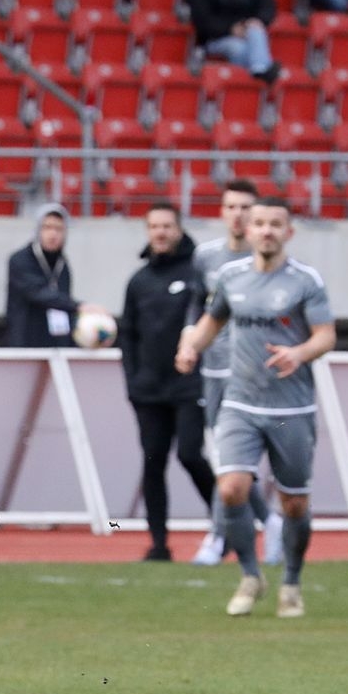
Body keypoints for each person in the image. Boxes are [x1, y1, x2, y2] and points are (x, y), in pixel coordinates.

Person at [176, 199, 336, 619]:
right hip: (240, 402)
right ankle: (250, 575)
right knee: (231, 488)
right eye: (260, 223)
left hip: (291, 408)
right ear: (248, 231)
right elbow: (213, 320)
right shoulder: (231, 277)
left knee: (294, 504)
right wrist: (192, 347)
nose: (267, 231)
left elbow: (325, 336)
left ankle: (292, 583)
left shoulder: (305, 281)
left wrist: (299, 353)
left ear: (288, 232)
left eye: (275, 224)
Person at [116, 203, 216, 562]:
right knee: (153, 462)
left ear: (179, 229)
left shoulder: (197, 273)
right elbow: (128, 335)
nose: (160, 232)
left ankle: (227, 525)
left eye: (167, 226)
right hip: (148, 389)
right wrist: (132, 380)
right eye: (154, 226)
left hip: (189, 385)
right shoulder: (139, 280)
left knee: (190, 454)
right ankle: (158, 544)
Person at [188, 179, 275, 567]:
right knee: (223, 458)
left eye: (245, 208)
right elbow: (197, 306)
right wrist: (189, 342)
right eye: (231, 207)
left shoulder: (267, 261)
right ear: (222, 212)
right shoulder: (206, 257)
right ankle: (269, 521)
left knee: (232, 460)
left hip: (251, 374)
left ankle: (217, 536)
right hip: (213, 370)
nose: (238, 215)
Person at [4, 204, 97, 347]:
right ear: (38, 230)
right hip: (25, 345)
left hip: (56, 345)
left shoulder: (62, 264)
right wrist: (79, 306)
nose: (53, 234)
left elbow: (64, 303)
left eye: (59, 229)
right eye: (47, 227)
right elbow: (38, 293)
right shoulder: (20, 260)